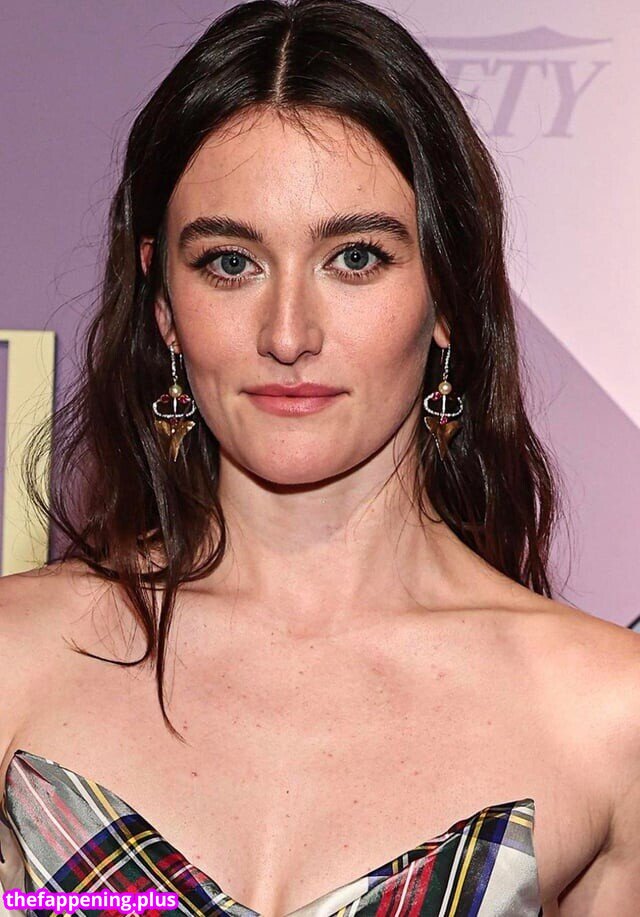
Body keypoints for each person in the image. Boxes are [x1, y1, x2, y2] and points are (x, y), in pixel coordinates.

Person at [0, 1, 638, 914]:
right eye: (230, 262)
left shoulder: (608, 716)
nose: (288, 333)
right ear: (164, 305)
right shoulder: (17, 657)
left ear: (449, 293)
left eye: (356, 258)